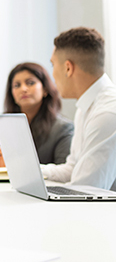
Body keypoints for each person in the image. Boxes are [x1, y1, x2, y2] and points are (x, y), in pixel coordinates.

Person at [41, 27, 116, 190]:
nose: (52, 74)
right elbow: (72, 169)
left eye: (53, 65)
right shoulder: (86, 107)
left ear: (68, 68)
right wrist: (30, 170)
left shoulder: (107, 114)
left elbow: (86, 189)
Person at [0, 63, 74, 168]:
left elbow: (64, 173)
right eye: (17, 85)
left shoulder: (63, 128)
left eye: (30, 83)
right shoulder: (3, 122)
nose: (23, 89)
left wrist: (13, 166)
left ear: (45, 89)